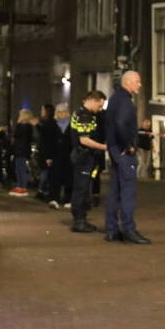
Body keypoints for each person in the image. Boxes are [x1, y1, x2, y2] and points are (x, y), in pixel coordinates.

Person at [104, 71, 151, 244]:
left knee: (115, 191)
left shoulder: (115, 99)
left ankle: (112, 229)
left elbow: (112, 124)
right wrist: (128, 146)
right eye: (137, 81)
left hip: (114, 149)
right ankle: (129, 230)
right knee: (128, 191)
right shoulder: (126, 102)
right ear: (128, 82)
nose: (139, 85)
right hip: (123, 152)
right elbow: (121, 124)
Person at [70, 90, 107, 233]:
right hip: (83, 157)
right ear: (93, 100)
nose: (100, 109)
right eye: (99, 106)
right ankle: (79, 221)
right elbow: (84, 139)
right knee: (82, 189)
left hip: (81, 156)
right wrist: (104, 147)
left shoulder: (80, 113)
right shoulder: (85, 116)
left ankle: (81, 219)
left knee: (82, 188)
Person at [43, 103, 73, 209]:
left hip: (69, 155)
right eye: (60, 112)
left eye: (64, 112)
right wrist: (47, 157)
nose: (62, 114)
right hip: (55, 155)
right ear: (56, 113)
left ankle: (68, 199)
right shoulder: (50, 124)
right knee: (54, 178)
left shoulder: (72, 124)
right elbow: (46, 142)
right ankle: (54, 199)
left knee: (69, 178)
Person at [10, 109, 35, 196]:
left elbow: (17, 135)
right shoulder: (23, 126)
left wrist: (18, 124)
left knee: (22, 168)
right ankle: (19, 186)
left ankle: (23, 187)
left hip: (22, 149)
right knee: (18, 168)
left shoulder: (26, 126)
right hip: (19, 149)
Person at [36, 103, 56, 200]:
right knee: (45, 171)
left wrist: (37, 126)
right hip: (44, 151)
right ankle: (43, 190)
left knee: (46, 172)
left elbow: (47, 138)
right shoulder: (46, 122)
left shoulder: (49, 123)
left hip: (46, 151)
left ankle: (43, 190)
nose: (42, 112)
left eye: (43, 110)